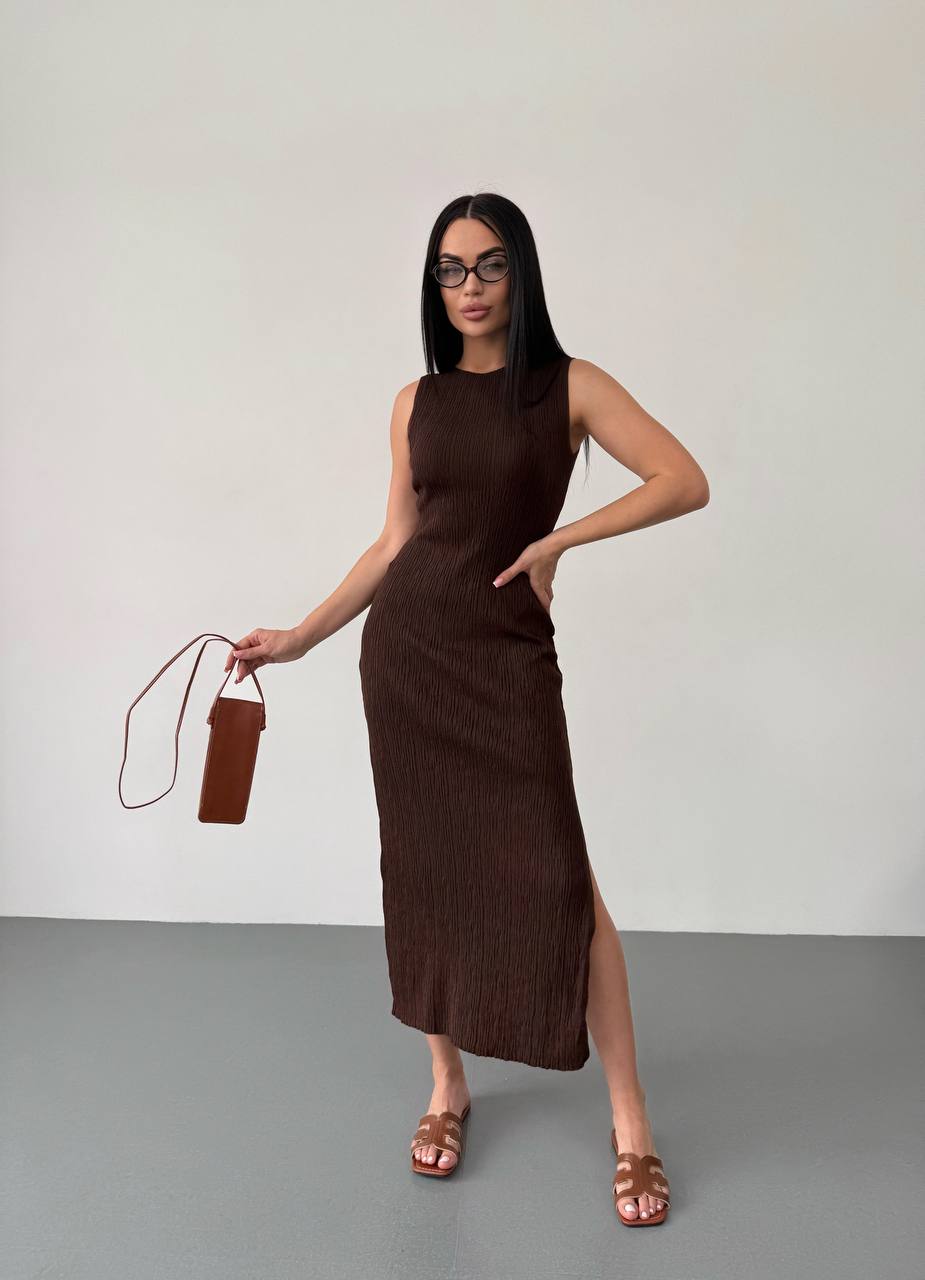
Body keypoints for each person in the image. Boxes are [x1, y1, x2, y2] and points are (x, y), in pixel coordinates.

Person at [225, 192, 709, 1225]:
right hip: (409, 657)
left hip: (505, 660)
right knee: (426, 869)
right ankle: (446, 1085)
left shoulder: (570, 386)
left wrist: (558, 541)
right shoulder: (416, 401)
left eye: (488, 265)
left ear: (519, 272)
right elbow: (395, 542)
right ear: (432, 284)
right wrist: (302, 636)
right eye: (450, 269)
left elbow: (683, 479)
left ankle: (631, 1124)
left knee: (563, 882)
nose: (470, 287)